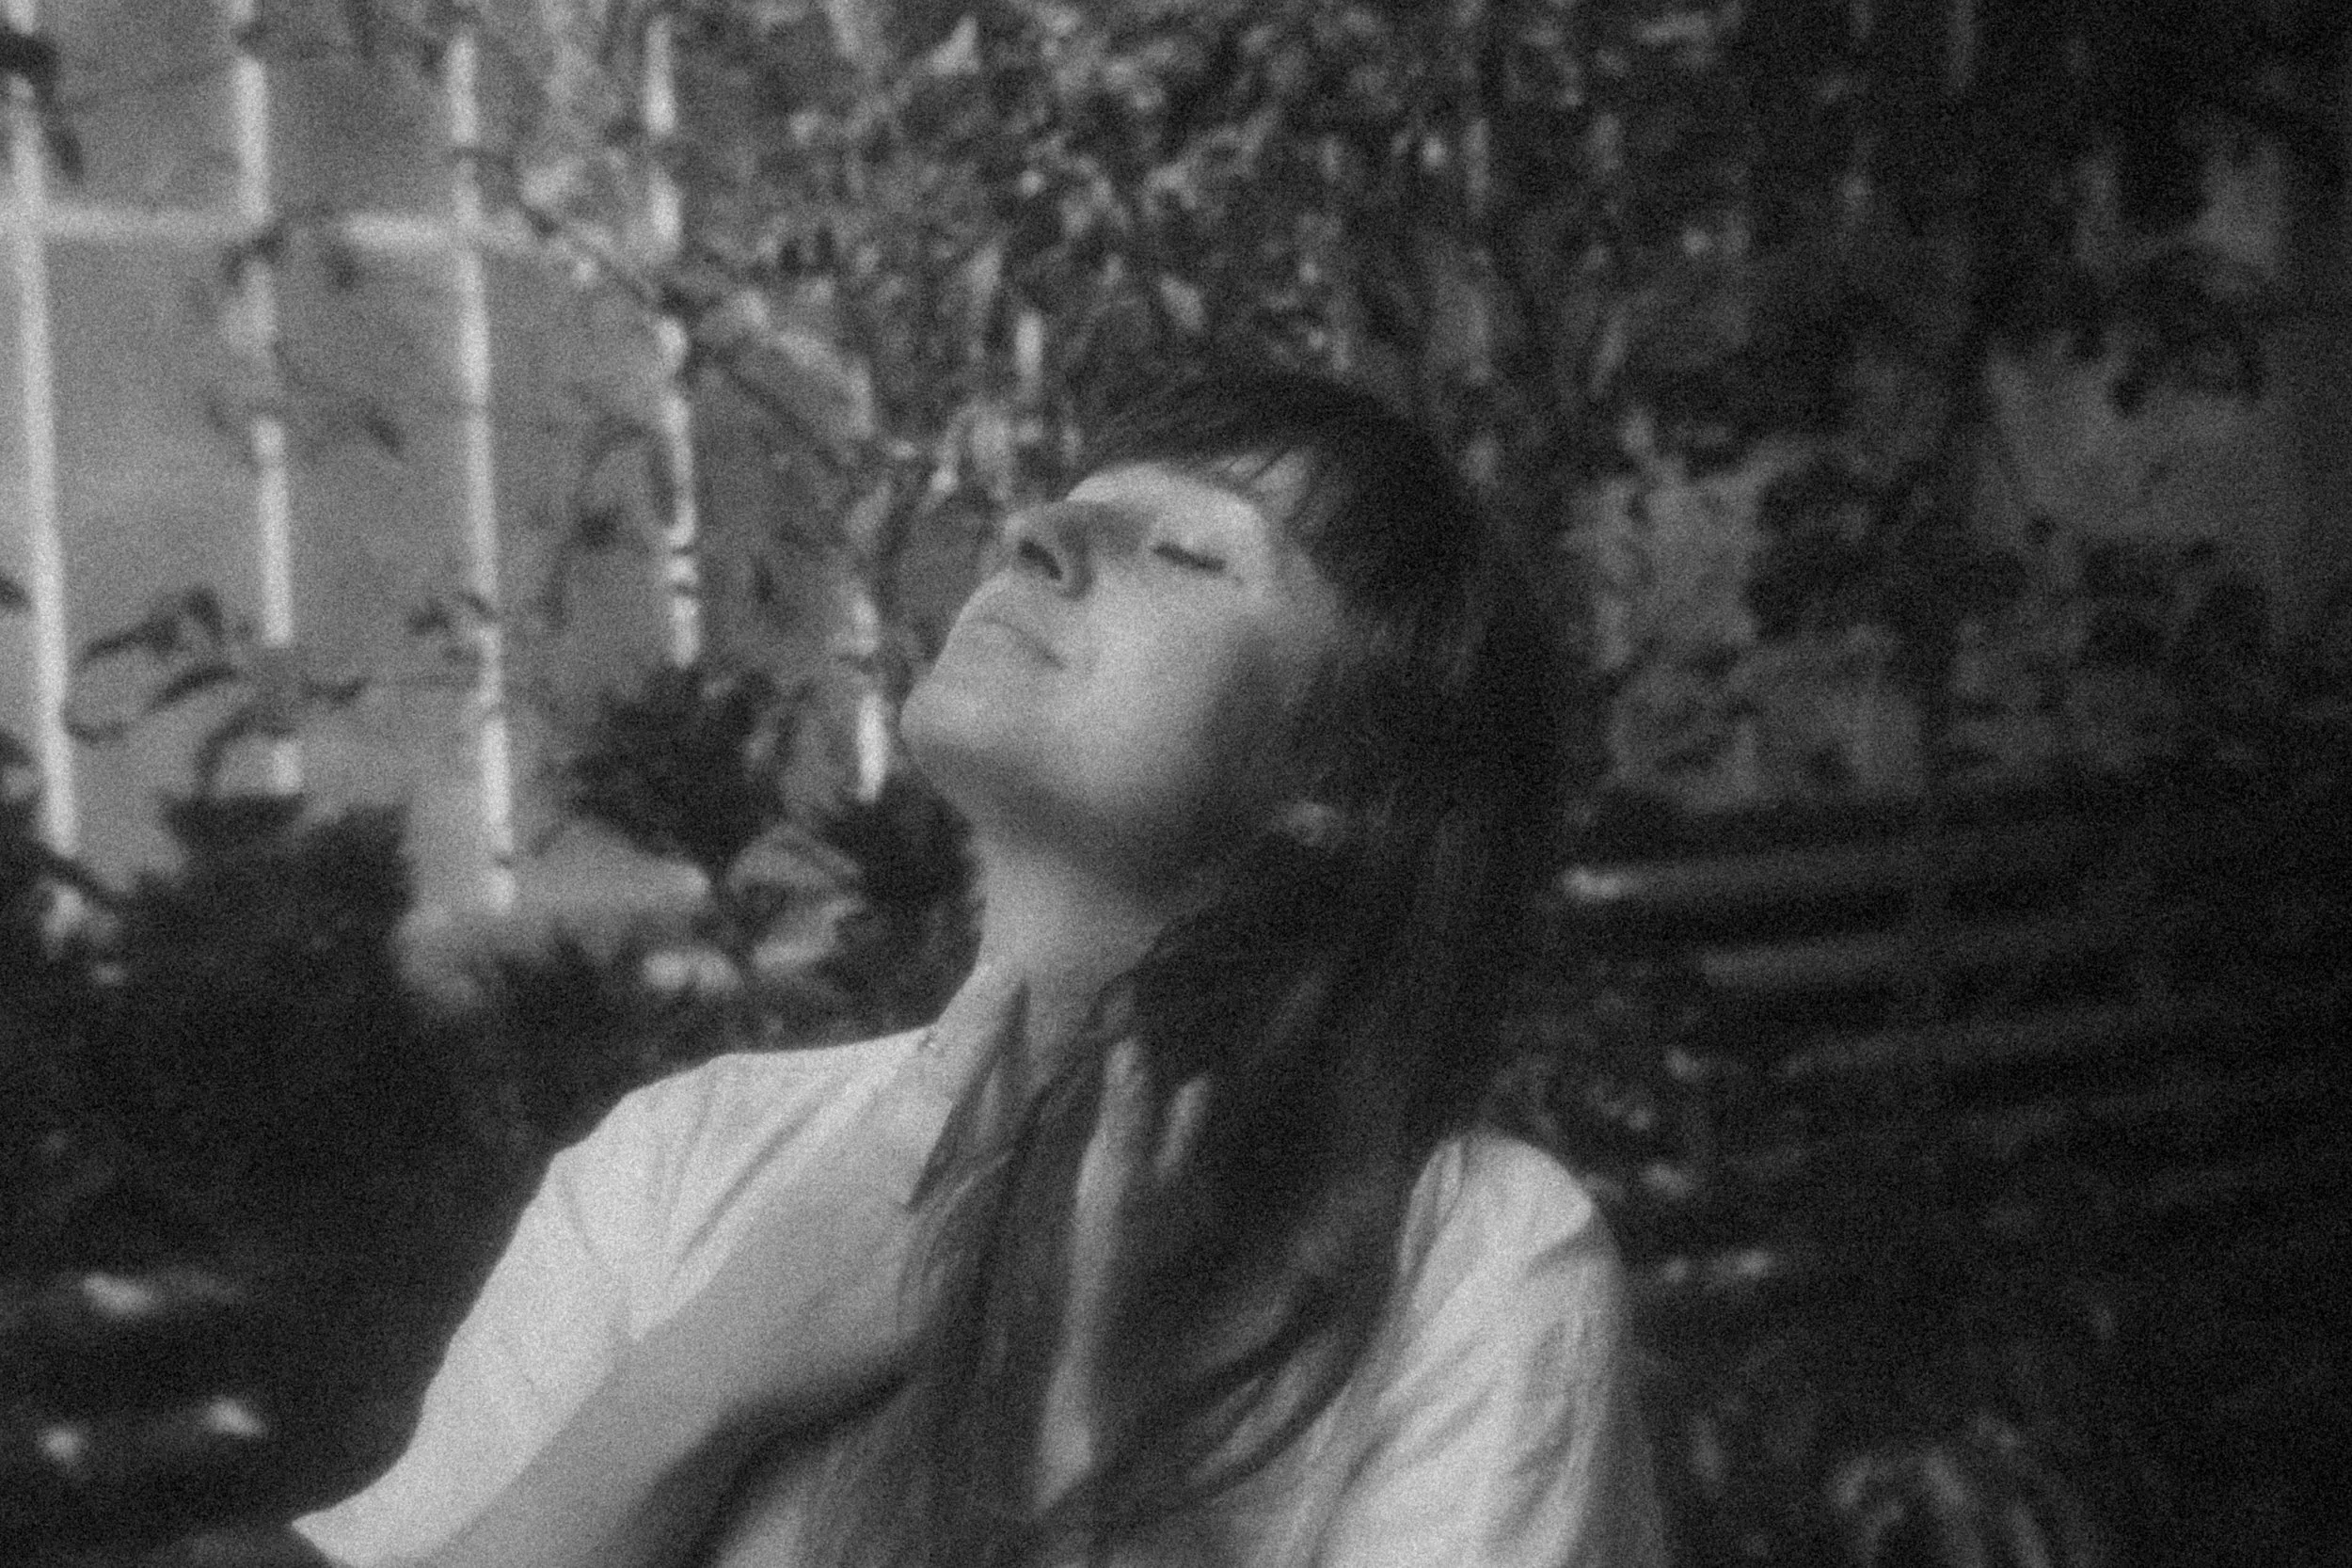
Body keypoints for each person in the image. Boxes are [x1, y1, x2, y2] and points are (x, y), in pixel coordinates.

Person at [293, 367, 1665, 1566]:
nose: (1037, 532)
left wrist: (1096, 1447)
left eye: (1186, 553)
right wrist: (715, 1369)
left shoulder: (1466, 1260)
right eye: (1063, 508)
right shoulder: (677, 1161)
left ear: (1342, 778)